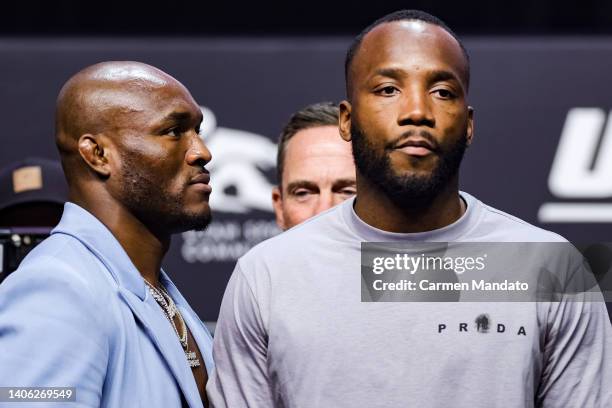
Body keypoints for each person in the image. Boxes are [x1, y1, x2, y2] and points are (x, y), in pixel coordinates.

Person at [207, 10, 612, 407]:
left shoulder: (552, 267)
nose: (417, 111)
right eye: (388, 89)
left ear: (468, 124)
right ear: (346, 121)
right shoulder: (268, 275)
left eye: (442, 92)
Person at [0, 61, 214, 407]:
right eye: (174, 131)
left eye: (198, 131)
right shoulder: (58, 289)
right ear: (98, 154)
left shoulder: (152, 286)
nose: (202, 151)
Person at [271, 102, 356, 230]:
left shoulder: (391, 249)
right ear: (279, 208)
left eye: (348, 192)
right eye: (303, 193)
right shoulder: (260, 251)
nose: (323, 212)